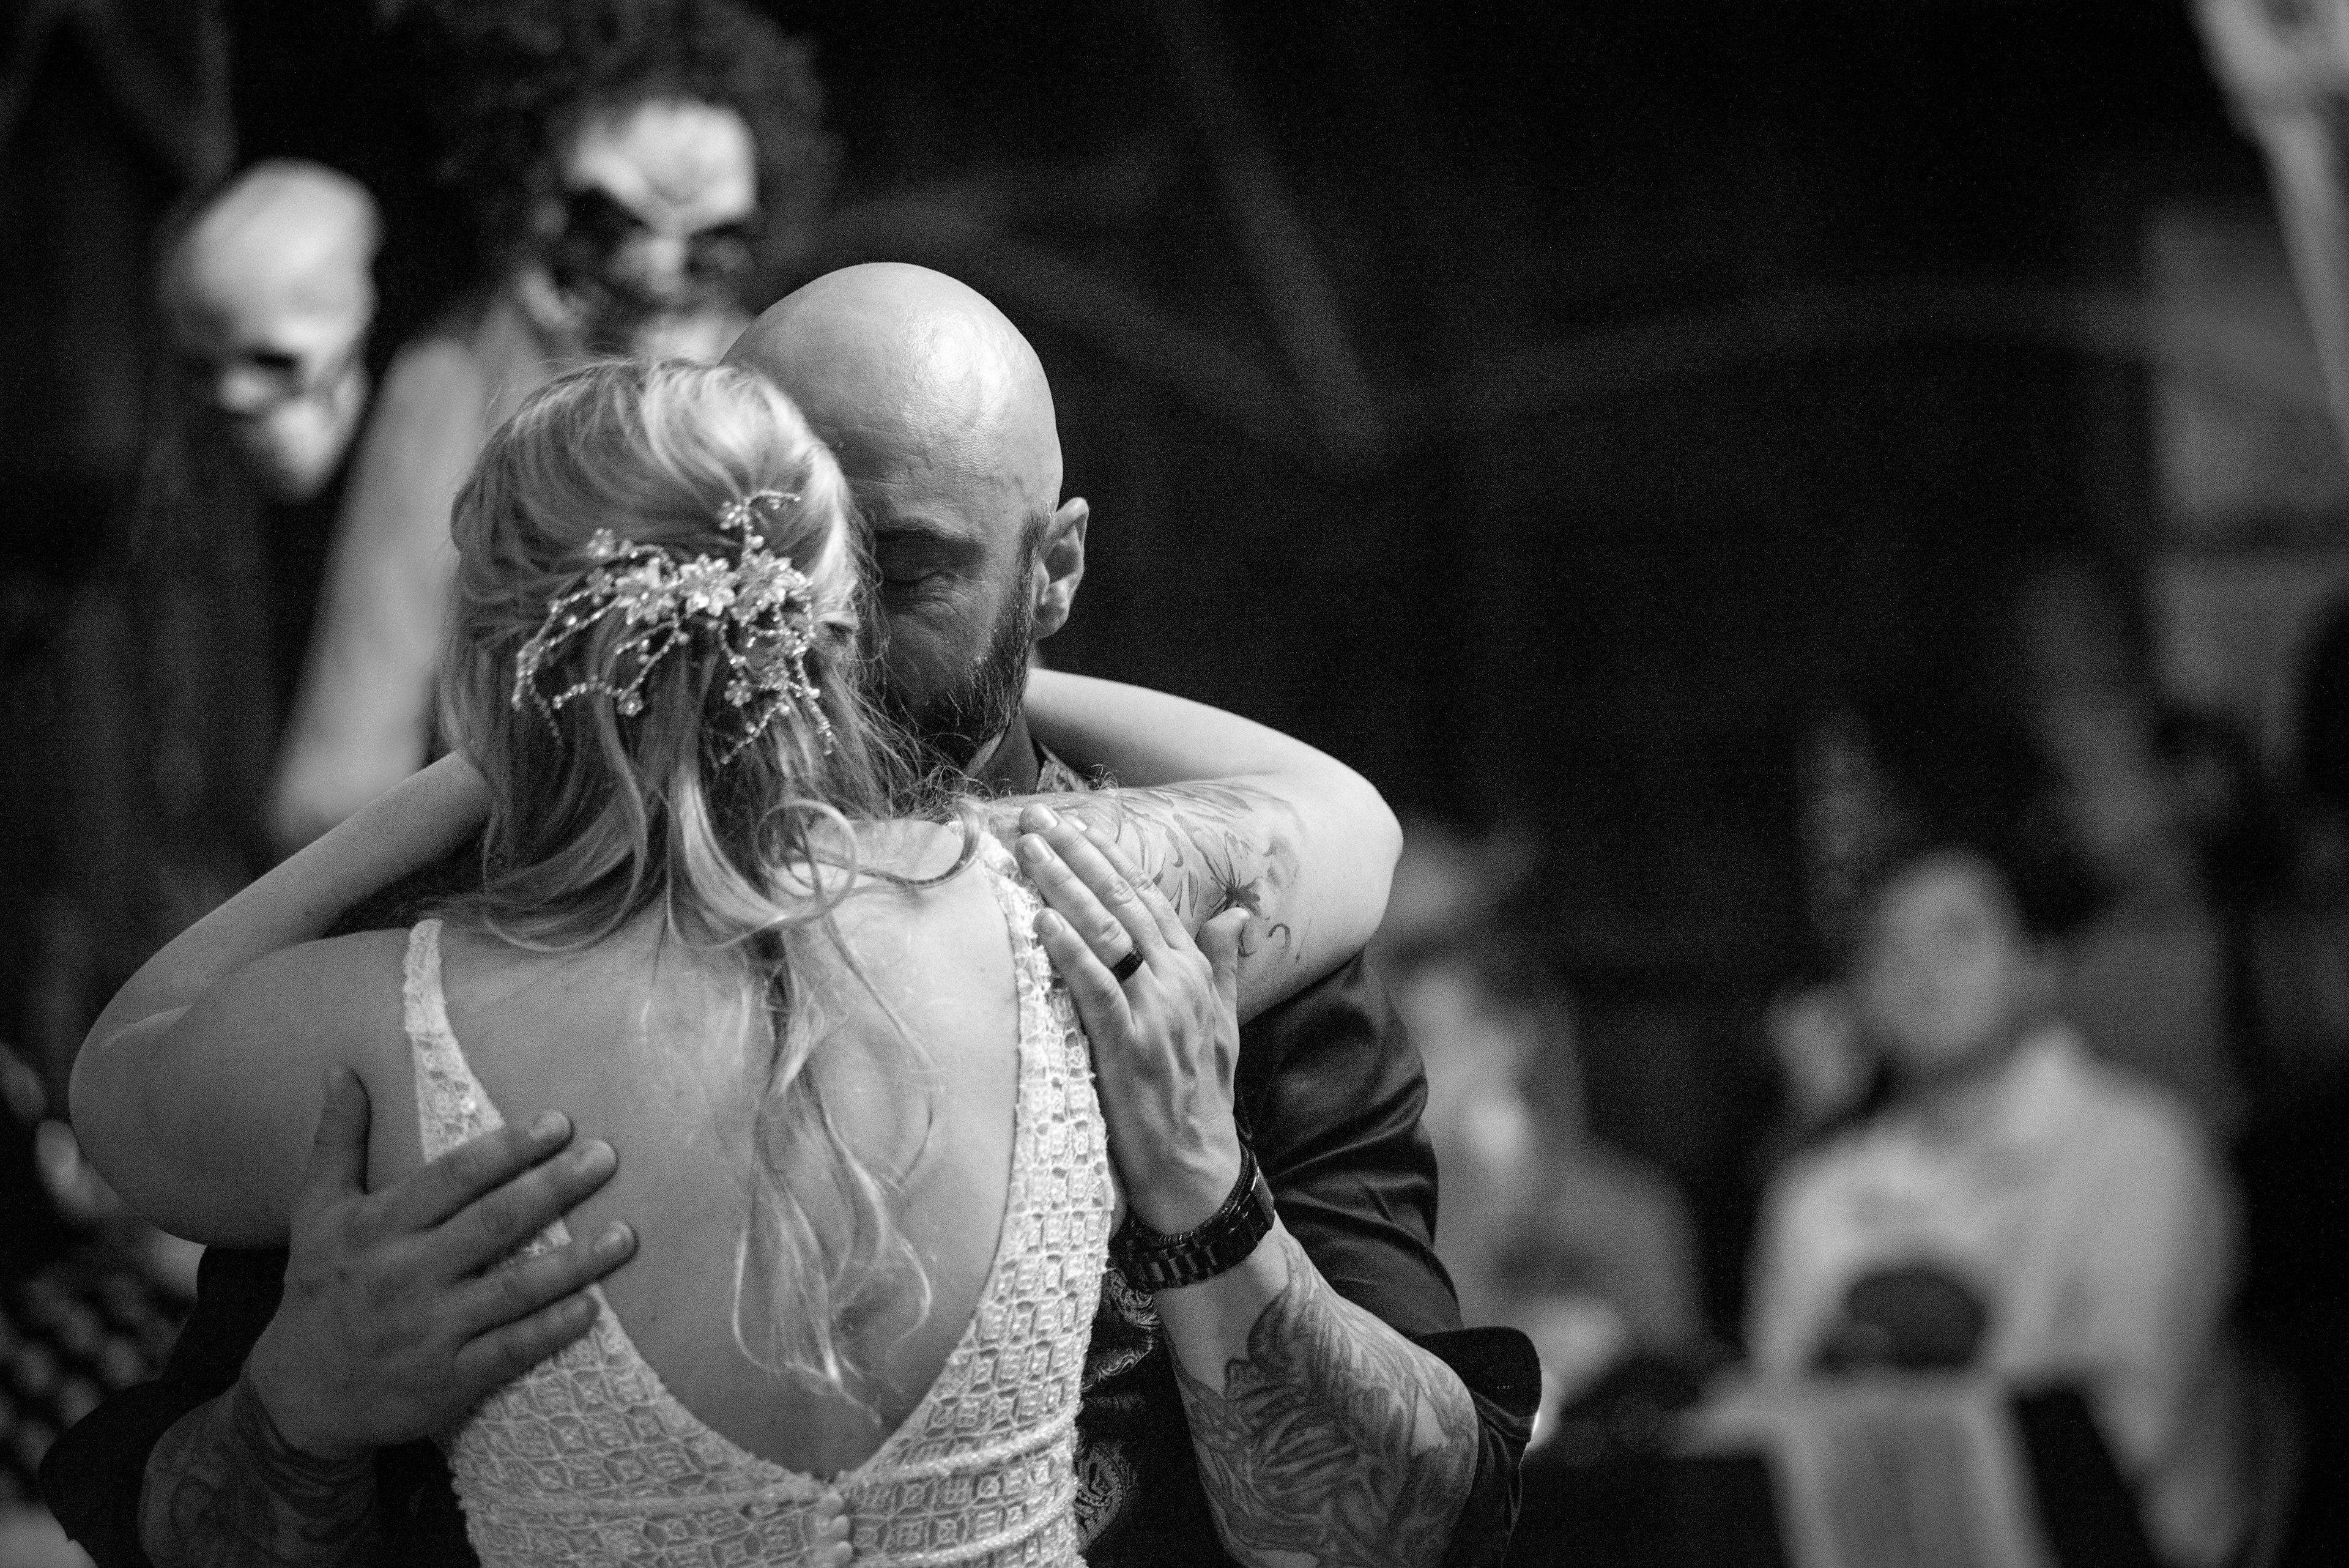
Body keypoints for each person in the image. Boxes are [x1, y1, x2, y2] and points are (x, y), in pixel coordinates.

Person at [49, 265, 1535, 1568]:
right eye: (821, 569)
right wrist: (297, 1408)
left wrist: (1216, 1215)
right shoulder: (1137, 890)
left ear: (1056, 570)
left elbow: (1409, 1533)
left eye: (914, 566)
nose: (839, 637)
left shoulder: (1199, 954)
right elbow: (1348, 819)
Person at [267, 0, 839, 855]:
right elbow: (342, 769)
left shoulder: (775, 374)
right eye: (610, 224)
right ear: (532, 192)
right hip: (517, 874)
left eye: (711, 242)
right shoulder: (458, 380)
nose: (657, 268)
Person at [1746, 818, 2253, 1567]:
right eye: (1890, 948)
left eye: (1958, 936)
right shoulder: (1815, 1194)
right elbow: (1779, 1437)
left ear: (2037, 966)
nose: (1923, 970)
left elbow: (2129, 1431)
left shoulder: (2138, 1148)